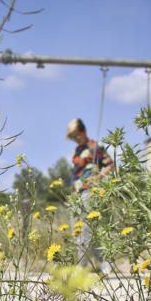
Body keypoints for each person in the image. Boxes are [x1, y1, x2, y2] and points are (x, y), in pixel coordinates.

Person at [66, 117, 113, 273]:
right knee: (76, 230)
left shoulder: (95, 146)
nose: (75, 139)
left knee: (85, 229)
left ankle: (82, 267)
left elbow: (110, 165)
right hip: (75, 193)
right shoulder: (76, 151)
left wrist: (98, 177)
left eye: (76, 135)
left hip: (89, 190)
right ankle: (104, 260)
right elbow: (75, 173)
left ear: (83, 131)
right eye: (72, 137)